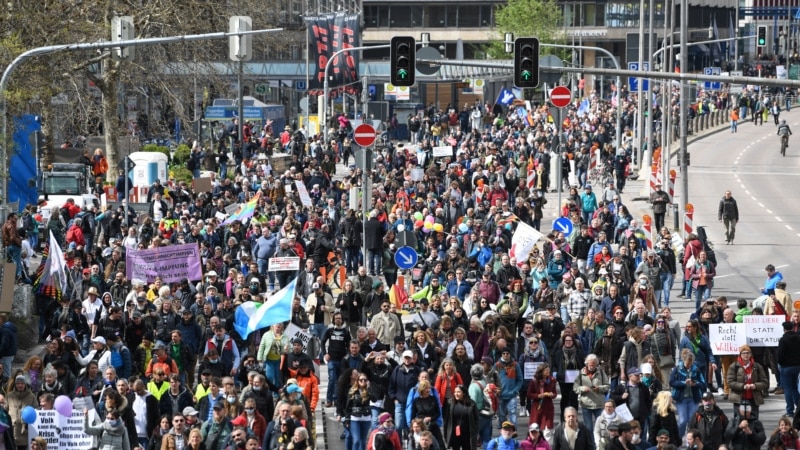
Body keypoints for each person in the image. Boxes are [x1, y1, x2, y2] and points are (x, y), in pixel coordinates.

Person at [443, 385, 477, 450]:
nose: (456, 394)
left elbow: (476, 419)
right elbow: (446, 420)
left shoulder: (471, 403)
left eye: (458, 392)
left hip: (467, 433)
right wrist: (446, 434)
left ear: (464, 393)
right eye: (455, 392)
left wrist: (476, 432)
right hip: (454, 433)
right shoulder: (450, 403)